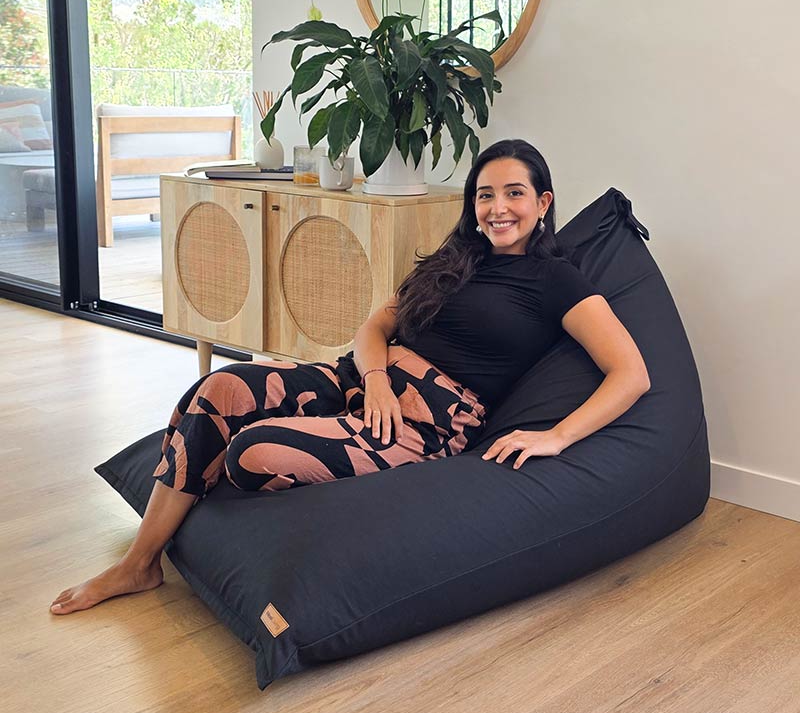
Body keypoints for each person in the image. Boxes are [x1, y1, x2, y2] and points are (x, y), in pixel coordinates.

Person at [50, 139, 650, 615]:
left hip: (427, 424)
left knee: (252, 454)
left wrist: (557, 437)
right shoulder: (454, 259)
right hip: (362, 380)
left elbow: (631, 373)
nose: (498, 209)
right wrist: (378, 380)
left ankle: (311, 444)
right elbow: (375, 325)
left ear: (544, 203)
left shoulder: (557, 280)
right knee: (220, 389)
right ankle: (141, 563)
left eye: (514, 194)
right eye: (485, 195)